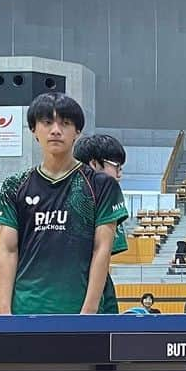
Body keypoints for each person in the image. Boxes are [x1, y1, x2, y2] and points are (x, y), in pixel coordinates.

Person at [0, 93, 128, 315]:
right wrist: (4, 310)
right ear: (34, 130)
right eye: (47, 122)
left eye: (65, 123)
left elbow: (102, 248)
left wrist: (89, 311)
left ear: (77, 132)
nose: (55, 130)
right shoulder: (14, 185)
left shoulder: (101, 185)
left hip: (81, 312)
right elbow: (7, 248)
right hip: (25, 311)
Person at [73, 134, 130, 314]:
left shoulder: (108, 199)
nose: (120, 174)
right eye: (116, 167)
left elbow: (103, 255)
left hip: (100, 289)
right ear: (94, 164)